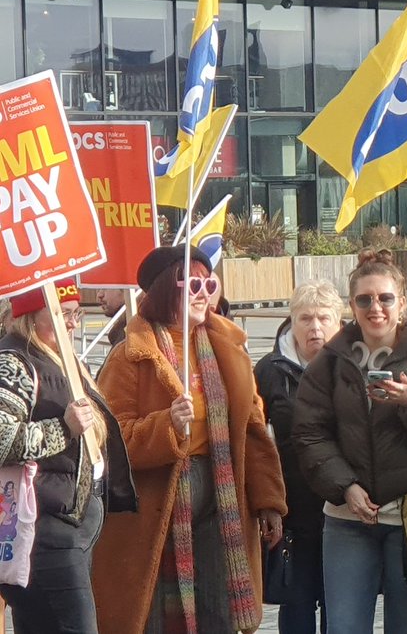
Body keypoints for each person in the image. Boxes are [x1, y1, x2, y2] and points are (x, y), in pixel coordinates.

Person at [93, 245, 288, 633]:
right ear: (167, 290)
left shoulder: (228, 350)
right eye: (193, 283)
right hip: (155, 508)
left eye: (209, 283)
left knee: (219, 611)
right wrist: (166, 424)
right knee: (157, 617)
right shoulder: (130, 356)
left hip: (222, 499)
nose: (204, 292)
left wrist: (268, 501)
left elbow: (252, 429)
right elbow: (111, 440)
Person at [292, 249, 407, 633]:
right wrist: (346, 487)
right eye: (364, 299)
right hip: (347, 519)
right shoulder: (330, 361)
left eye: (385, 298)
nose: (376, 307)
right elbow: (309, 434)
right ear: (352, 306)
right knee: (344, 628)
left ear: (401, 303)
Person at [0, 279, 135, 634]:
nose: (72, 323)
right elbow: (1, 440)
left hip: (68, 526)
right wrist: (64, 428)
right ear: (31, 315)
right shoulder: (14, 361)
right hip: (44, 531)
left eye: (77, 313)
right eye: (63, 313)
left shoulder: (59, 356)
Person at [254, 280, 345, 634]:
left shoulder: (355, 366)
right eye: (305, 318)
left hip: (343, 507)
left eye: (324, 317)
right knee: (297, 608)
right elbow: (258, 442)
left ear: (339, 322)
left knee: (341, 608)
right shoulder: (268, 372)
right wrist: (268, 502)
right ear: (292, 321)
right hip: (292, 509)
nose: (315, 327)